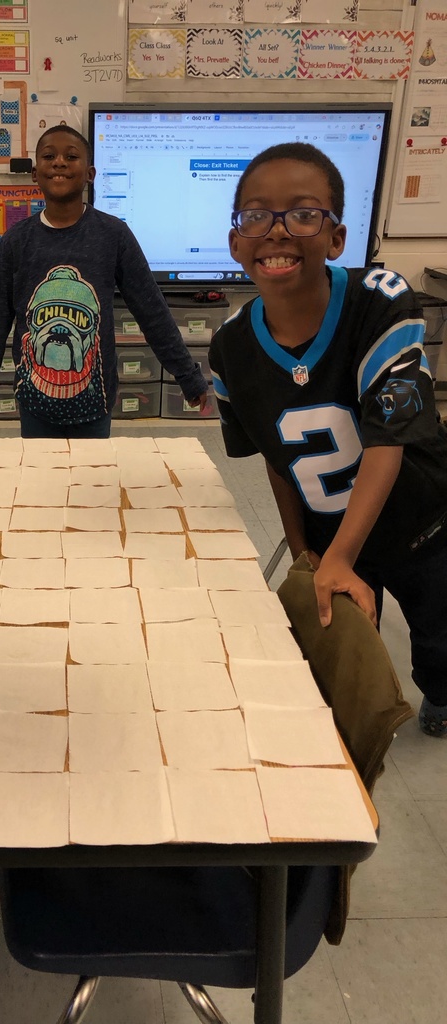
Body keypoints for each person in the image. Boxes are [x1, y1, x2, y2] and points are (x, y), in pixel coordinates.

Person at [209, 142, 447, 736]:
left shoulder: (381, 300)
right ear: (235, 241)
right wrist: (306, 550)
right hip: (330, 530)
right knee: (347, 650)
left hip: (424, 526)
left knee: (439, 642)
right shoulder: (230, 348)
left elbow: (388, 440)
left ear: (337, 238)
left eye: (303, 213)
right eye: (257, 214)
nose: (277, 230)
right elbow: (276, 459)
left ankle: (441, 698)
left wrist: (338, 556)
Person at [0, 125, 208, 437]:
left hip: (95, 403)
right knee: (39, 469)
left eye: (71, 156)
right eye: (49, 156)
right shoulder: (16, 241)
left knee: (95, 469)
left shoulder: (113, 235)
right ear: (35, 174)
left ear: (90, 174)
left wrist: (187, 375)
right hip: (33, 403)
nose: (59, 162)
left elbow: (152, 311)